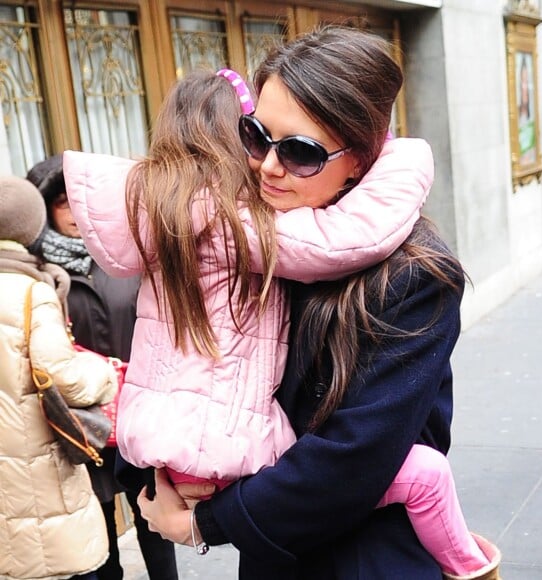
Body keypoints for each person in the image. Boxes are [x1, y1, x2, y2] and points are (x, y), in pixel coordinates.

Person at [63, 56, 499, 578]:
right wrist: (153, 478)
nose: (268, 165)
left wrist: (207, 523)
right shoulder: (250, 239)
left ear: (360, 159)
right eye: (256, 136)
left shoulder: (411, 273)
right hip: (274, 556)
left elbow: (355, 454)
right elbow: (170, 368)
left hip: (363, 556)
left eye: (299, 151)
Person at [26, 156, 178, 580]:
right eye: (61, 204)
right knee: (98, 529)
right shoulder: (40, 276)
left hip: (139, 413)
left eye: (79, 203)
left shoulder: (127, 259)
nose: (74, 215)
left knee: (155, 520)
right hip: (79, 421)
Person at [0, 175, 117, 580]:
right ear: (34, 226)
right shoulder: (33, 293)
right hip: (38, 464)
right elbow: (63, 378)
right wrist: (105, 372)